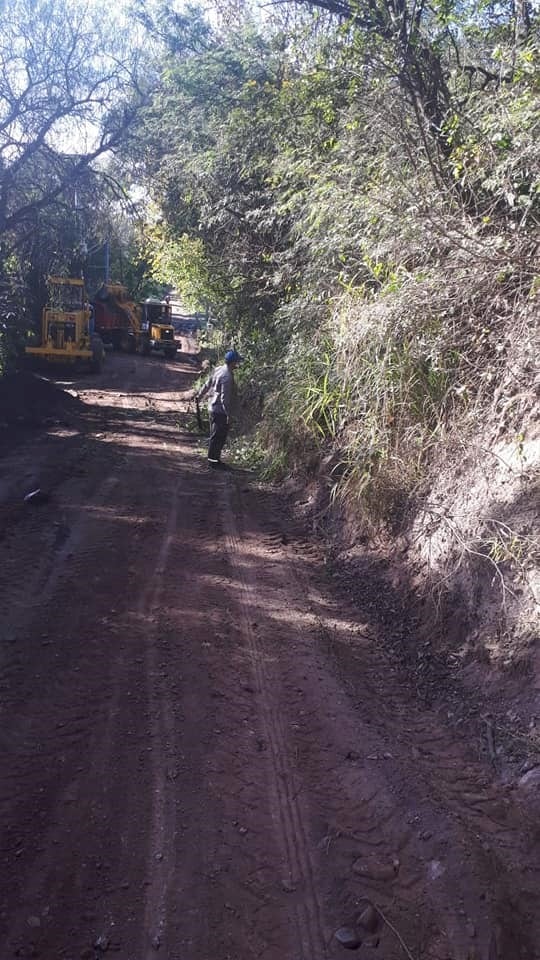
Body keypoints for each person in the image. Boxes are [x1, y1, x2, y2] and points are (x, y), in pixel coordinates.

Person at [196, 349, 243, 468]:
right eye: (237, 362)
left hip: (213, 407)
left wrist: (199, 396)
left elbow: (207, 384)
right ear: (232, 363)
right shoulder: (227, 376)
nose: (238, 364)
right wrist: (229, 415)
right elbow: (224, 399)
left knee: (216, 435)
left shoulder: (218, 370)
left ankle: (215, 460)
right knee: (218, 437)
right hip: (220, 411)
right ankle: (213, 462)